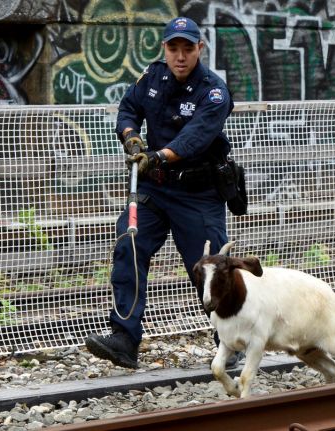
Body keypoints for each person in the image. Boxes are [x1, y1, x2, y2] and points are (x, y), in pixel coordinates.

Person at [85, 16, 242, 369]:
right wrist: (131, 137)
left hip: (197, 193)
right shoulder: (153, 76)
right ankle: (124, 339)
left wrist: (157, 156)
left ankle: (231, 343)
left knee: (211, 268)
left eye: (188, 48)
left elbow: (194, 138)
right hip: (155, 188)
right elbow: (128, 109)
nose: (180, 56)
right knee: (129, 242)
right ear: (165, 48)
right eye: (173, 48)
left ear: (200, 48)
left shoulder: (214, 92)